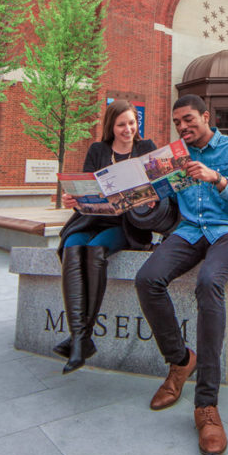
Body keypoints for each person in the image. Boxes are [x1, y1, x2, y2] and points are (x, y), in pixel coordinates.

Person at [134, 94, 228, 455]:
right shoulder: (174, 157)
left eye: (188, 120)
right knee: (147, 279)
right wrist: (133, 197)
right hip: (188, 231)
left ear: (205, 117)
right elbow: (157, 199)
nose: (183, 127)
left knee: (208, 283)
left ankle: (206, 405)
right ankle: (180, 360)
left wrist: (215, 177)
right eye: (177, 123)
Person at [55, 100, 157, 374]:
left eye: (132, 123)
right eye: (121, 124)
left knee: (95, 249)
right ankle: (81, 338)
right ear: (111, 126)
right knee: (73, 246)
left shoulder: (146, 149)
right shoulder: (98, 150)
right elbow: (85, 188)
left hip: (127, 224)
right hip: (91, 218)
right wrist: (72, 198)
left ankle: (80, 341)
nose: (128, 129)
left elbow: (159, 189)